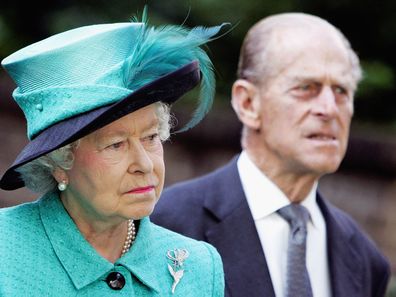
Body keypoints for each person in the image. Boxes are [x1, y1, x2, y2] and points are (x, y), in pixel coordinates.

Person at [152, 13, 391, 297]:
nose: (329, 109)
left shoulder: (365, 259)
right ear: (248, 102)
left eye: (341, 91)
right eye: (306, 88)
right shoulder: (165, 225)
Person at [0, 11, 225, 296]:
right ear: (58, 161)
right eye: (115, 144)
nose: (144, 164)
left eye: (151, 137)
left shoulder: (200, 266)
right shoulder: (5, 253)